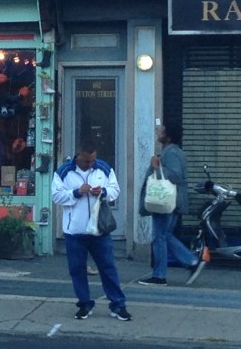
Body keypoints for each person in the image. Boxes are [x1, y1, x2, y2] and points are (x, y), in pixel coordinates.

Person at [51, 141, 132, 321]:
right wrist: (76, 192)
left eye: (93, 160)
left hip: (99, 230)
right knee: (77, 270)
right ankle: (84, 303)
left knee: (108, 268)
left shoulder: (103, 168)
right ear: (78, 156)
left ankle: (118, 304)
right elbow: (56, 196)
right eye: (87, 161)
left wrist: (103, 192)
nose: (91, 164)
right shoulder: (64, 172)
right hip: (75, 231)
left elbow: (115, 190)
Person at [138, 122, 205, 286]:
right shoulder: (171, 151)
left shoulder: (172, 153)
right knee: (165, 235)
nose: (157, 132)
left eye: (161, 130)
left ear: (167, 136)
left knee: (159, 237)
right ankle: (190, 262)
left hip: (166, 201)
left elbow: (176, 176)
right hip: (170, 201)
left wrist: (157, 167)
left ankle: (161, 275)